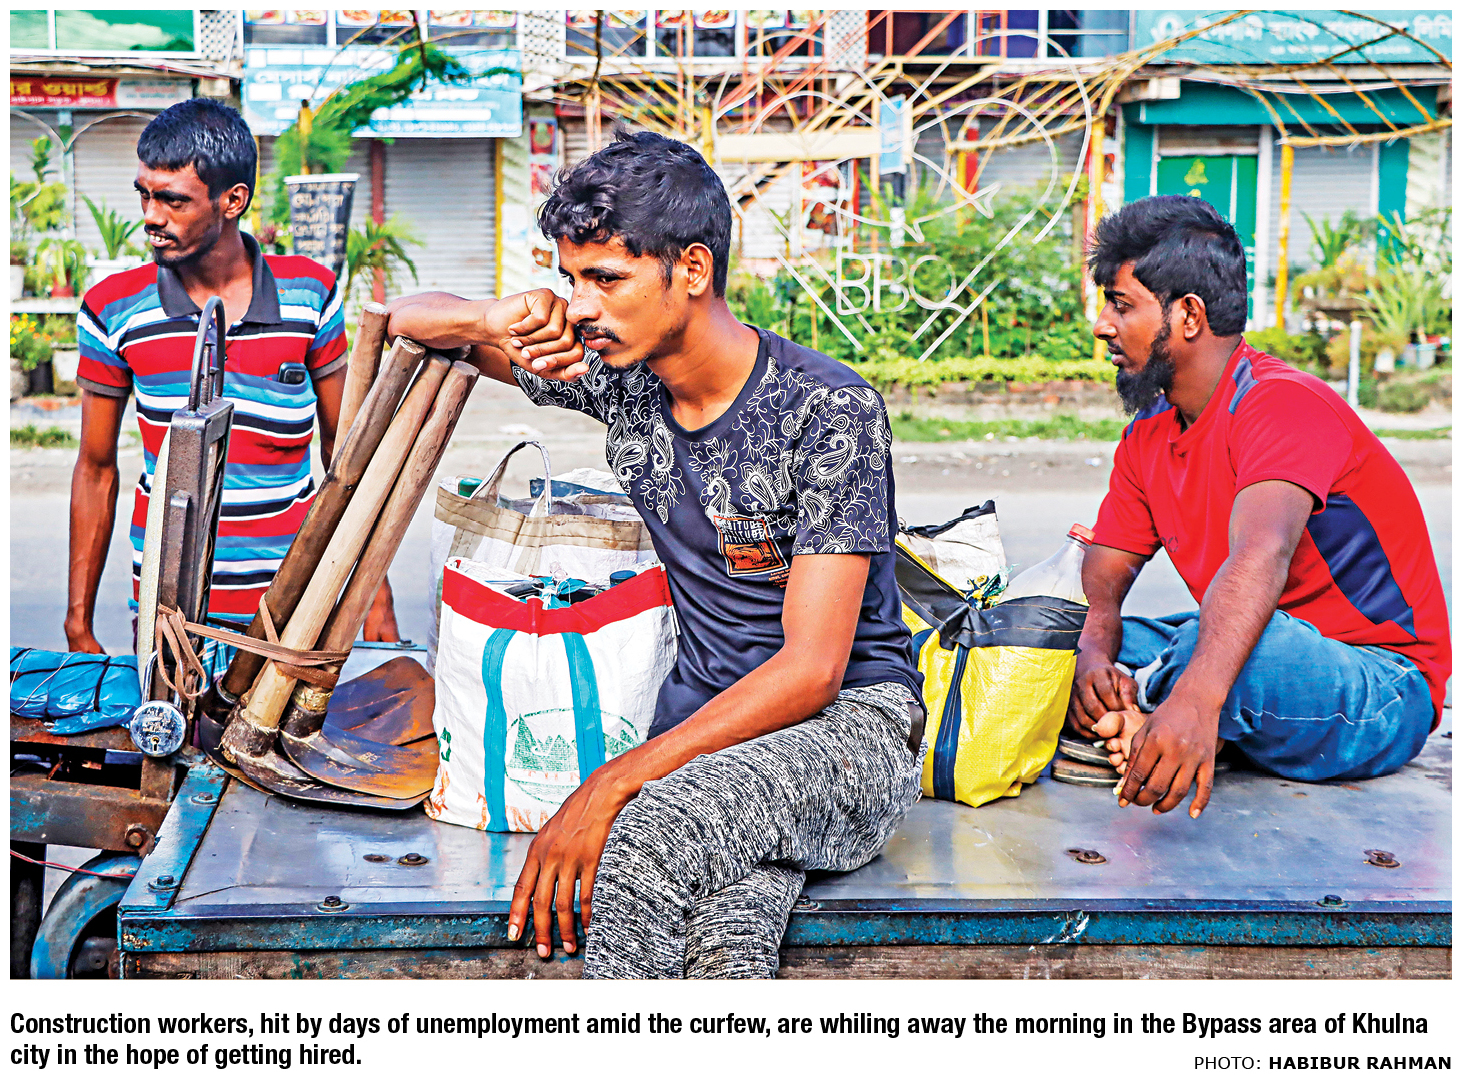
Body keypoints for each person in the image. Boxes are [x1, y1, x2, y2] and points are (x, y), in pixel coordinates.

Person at [387, 129, 925, 979]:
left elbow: (812, 670)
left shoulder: (827, 410)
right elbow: (407, 321)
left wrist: (609, 783)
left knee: (645, 834)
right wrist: (495, 318)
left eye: (606, 279)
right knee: (727, 939)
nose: (581, 306)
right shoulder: (623, 381)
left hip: (848, 731)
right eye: (570, 278)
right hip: (707, 736)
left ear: (693, 269)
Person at [1068, 194, 1450, 818]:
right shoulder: (1148, 434)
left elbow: (1261, 554)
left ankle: (1166, 714)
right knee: (1051, 640)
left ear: (1188, 315)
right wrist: (1091, 655)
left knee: (1236, 651)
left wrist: (1195, 696)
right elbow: (1104, 579)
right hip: (1238, 640)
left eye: (1121, 304)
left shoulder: (1282, 405)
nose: (1103, 325)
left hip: (1383, 684)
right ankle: (1150, 710)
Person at [70, 97, 397, 669]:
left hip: (293, 610)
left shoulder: (310, 294)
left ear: (233, 201)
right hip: (168, 615)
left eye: (173, 200)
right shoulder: (112, 308)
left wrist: (376, 597)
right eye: (145, 195)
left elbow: (346, 457)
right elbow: (96, 469)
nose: (151, 216)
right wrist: (78, 623)